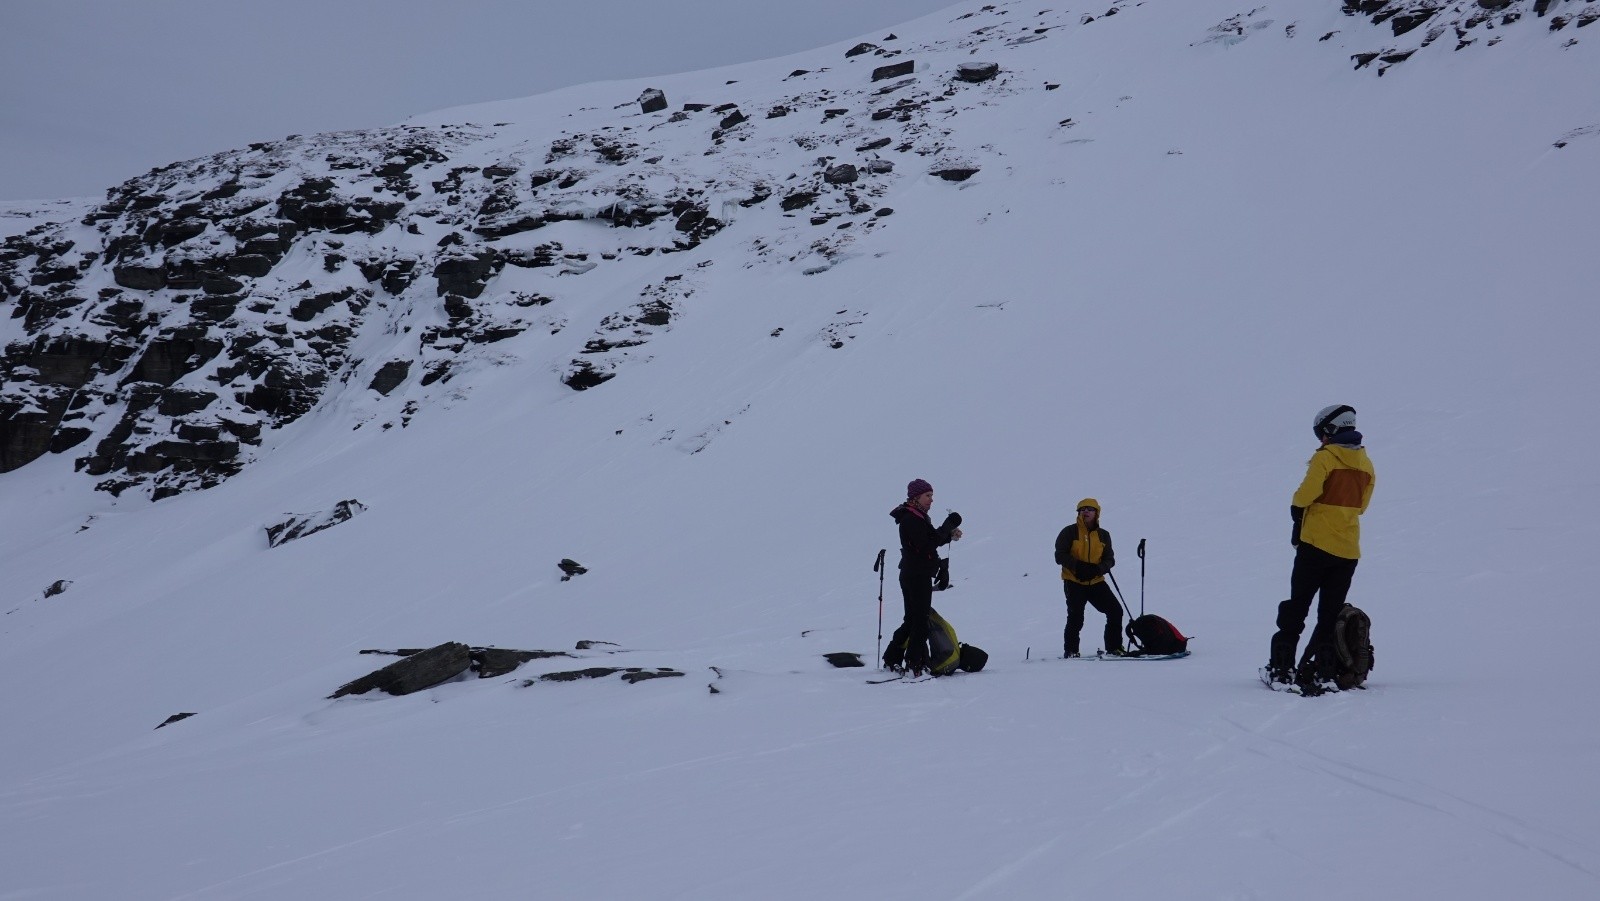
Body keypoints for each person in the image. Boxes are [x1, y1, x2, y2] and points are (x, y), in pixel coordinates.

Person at [1267, 404, 1377, 685]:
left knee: (1296, 607)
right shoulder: (1366, 464)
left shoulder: (1325, 458)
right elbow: (1362, 506)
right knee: (1329, 613)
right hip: (1348, 550)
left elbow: (1306, 495)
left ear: (1330, 431)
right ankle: (1324, 668)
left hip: (1315, 545)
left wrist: (1297, 510)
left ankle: (1282, 667)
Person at [886, 479, 962, 675]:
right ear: (915, 497)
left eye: (931, 496)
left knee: (913, 619)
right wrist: (946, 529)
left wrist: (948, 534)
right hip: (916, 575)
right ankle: (915, 665)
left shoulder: (916, 516)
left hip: (914, 574)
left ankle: (892, 658)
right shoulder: (912, 518)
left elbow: (929, 542)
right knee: (919, 620)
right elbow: (926, 546)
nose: (931, 500)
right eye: (927, 496)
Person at [1055, 498, 1123, 657]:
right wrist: (1078, 567)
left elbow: (1110, 559)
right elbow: (1060, 555)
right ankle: (1071, 651)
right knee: (1076, 617)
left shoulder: (1103, 535)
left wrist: (1098, 569)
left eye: (1090, 509)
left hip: (1096, 581)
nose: (1086, 511)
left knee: (1115, 611)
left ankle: (1114, 648)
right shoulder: (1069, 532)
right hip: (1074, 581)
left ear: (1096, 513)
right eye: (1082, 509)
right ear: (1078, 512)